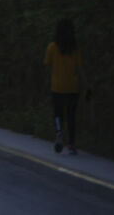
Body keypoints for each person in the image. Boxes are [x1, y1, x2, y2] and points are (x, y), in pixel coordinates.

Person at [44, 18, 90, 155]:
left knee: (58, 114)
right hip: (72, 87)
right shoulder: (75, 49)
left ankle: (59, 133)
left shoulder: (52, 47)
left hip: (57, 86)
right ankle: (71, 144)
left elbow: (47, 66)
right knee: (71, 115)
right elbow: (79, 69)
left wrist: (49, 81)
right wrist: (87, 86)